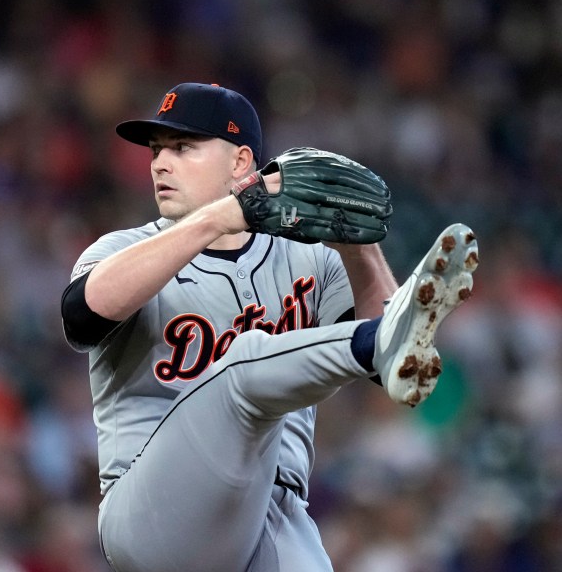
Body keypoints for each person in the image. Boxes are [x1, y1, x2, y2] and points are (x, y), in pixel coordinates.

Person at [60, 82, 478, 572]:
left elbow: (391, 367)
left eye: (183, 147)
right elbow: (81, 318)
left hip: (272, 515)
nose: (159, 164)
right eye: (157, 151)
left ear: (240, 163)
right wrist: (221, 217)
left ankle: (376, 339)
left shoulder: (307, 257)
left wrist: (357, 245)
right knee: (241, 367)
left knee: (369, 345)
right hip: (154, 513)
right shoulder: (124, 251)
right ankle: (374, 341)